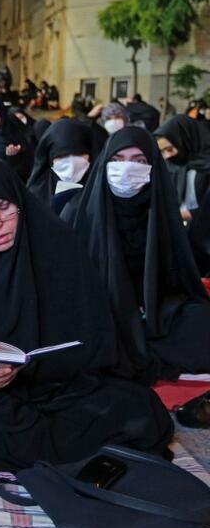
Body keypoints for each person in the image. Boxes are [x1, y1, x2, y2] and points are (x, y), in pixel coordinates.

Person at [0, 155, 173, 471]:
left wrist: (49, 364)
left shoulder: (55, 241)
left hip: (60, 383)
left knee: (140, 407)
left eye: (4, 208)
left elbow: (94, 333)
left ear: (20, 203)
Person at [65, 126, 210, 381]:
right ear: (104, 163)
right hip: (99, 315)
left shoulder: (160, 210)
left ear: (153, 167)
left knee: (200, 322)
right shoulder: (78, 211)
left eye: (139, 161)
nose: (127, 169)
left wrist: (148, 307)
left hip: (153, 316)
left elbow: (177, 279)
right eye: (118, 160)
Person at [26, 118, 95, 215]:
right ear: (50, 159)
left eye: (78, 154)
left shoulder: (101, 187)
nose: (72, 164)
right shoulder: (36, 194)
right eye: (62, 156)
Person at [154, 114, 210, 222]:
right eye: (162, 151)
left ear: (185, 139)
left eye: (169, 149)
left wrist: (185, 215)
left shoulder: (206, 161)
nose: (167, 156)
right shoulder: (173, 163)